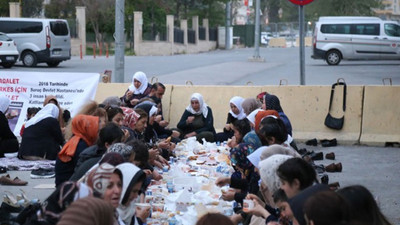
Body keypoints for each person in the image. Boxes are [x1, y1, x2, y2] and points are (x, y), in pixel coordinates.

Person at [55, 115, 103, 187]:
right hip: (68, 188)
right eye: (97, 130)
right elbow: (83, 171)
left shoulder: (77, 140)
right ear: (87, 129)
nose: (98, 134)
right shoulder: (80, 145)